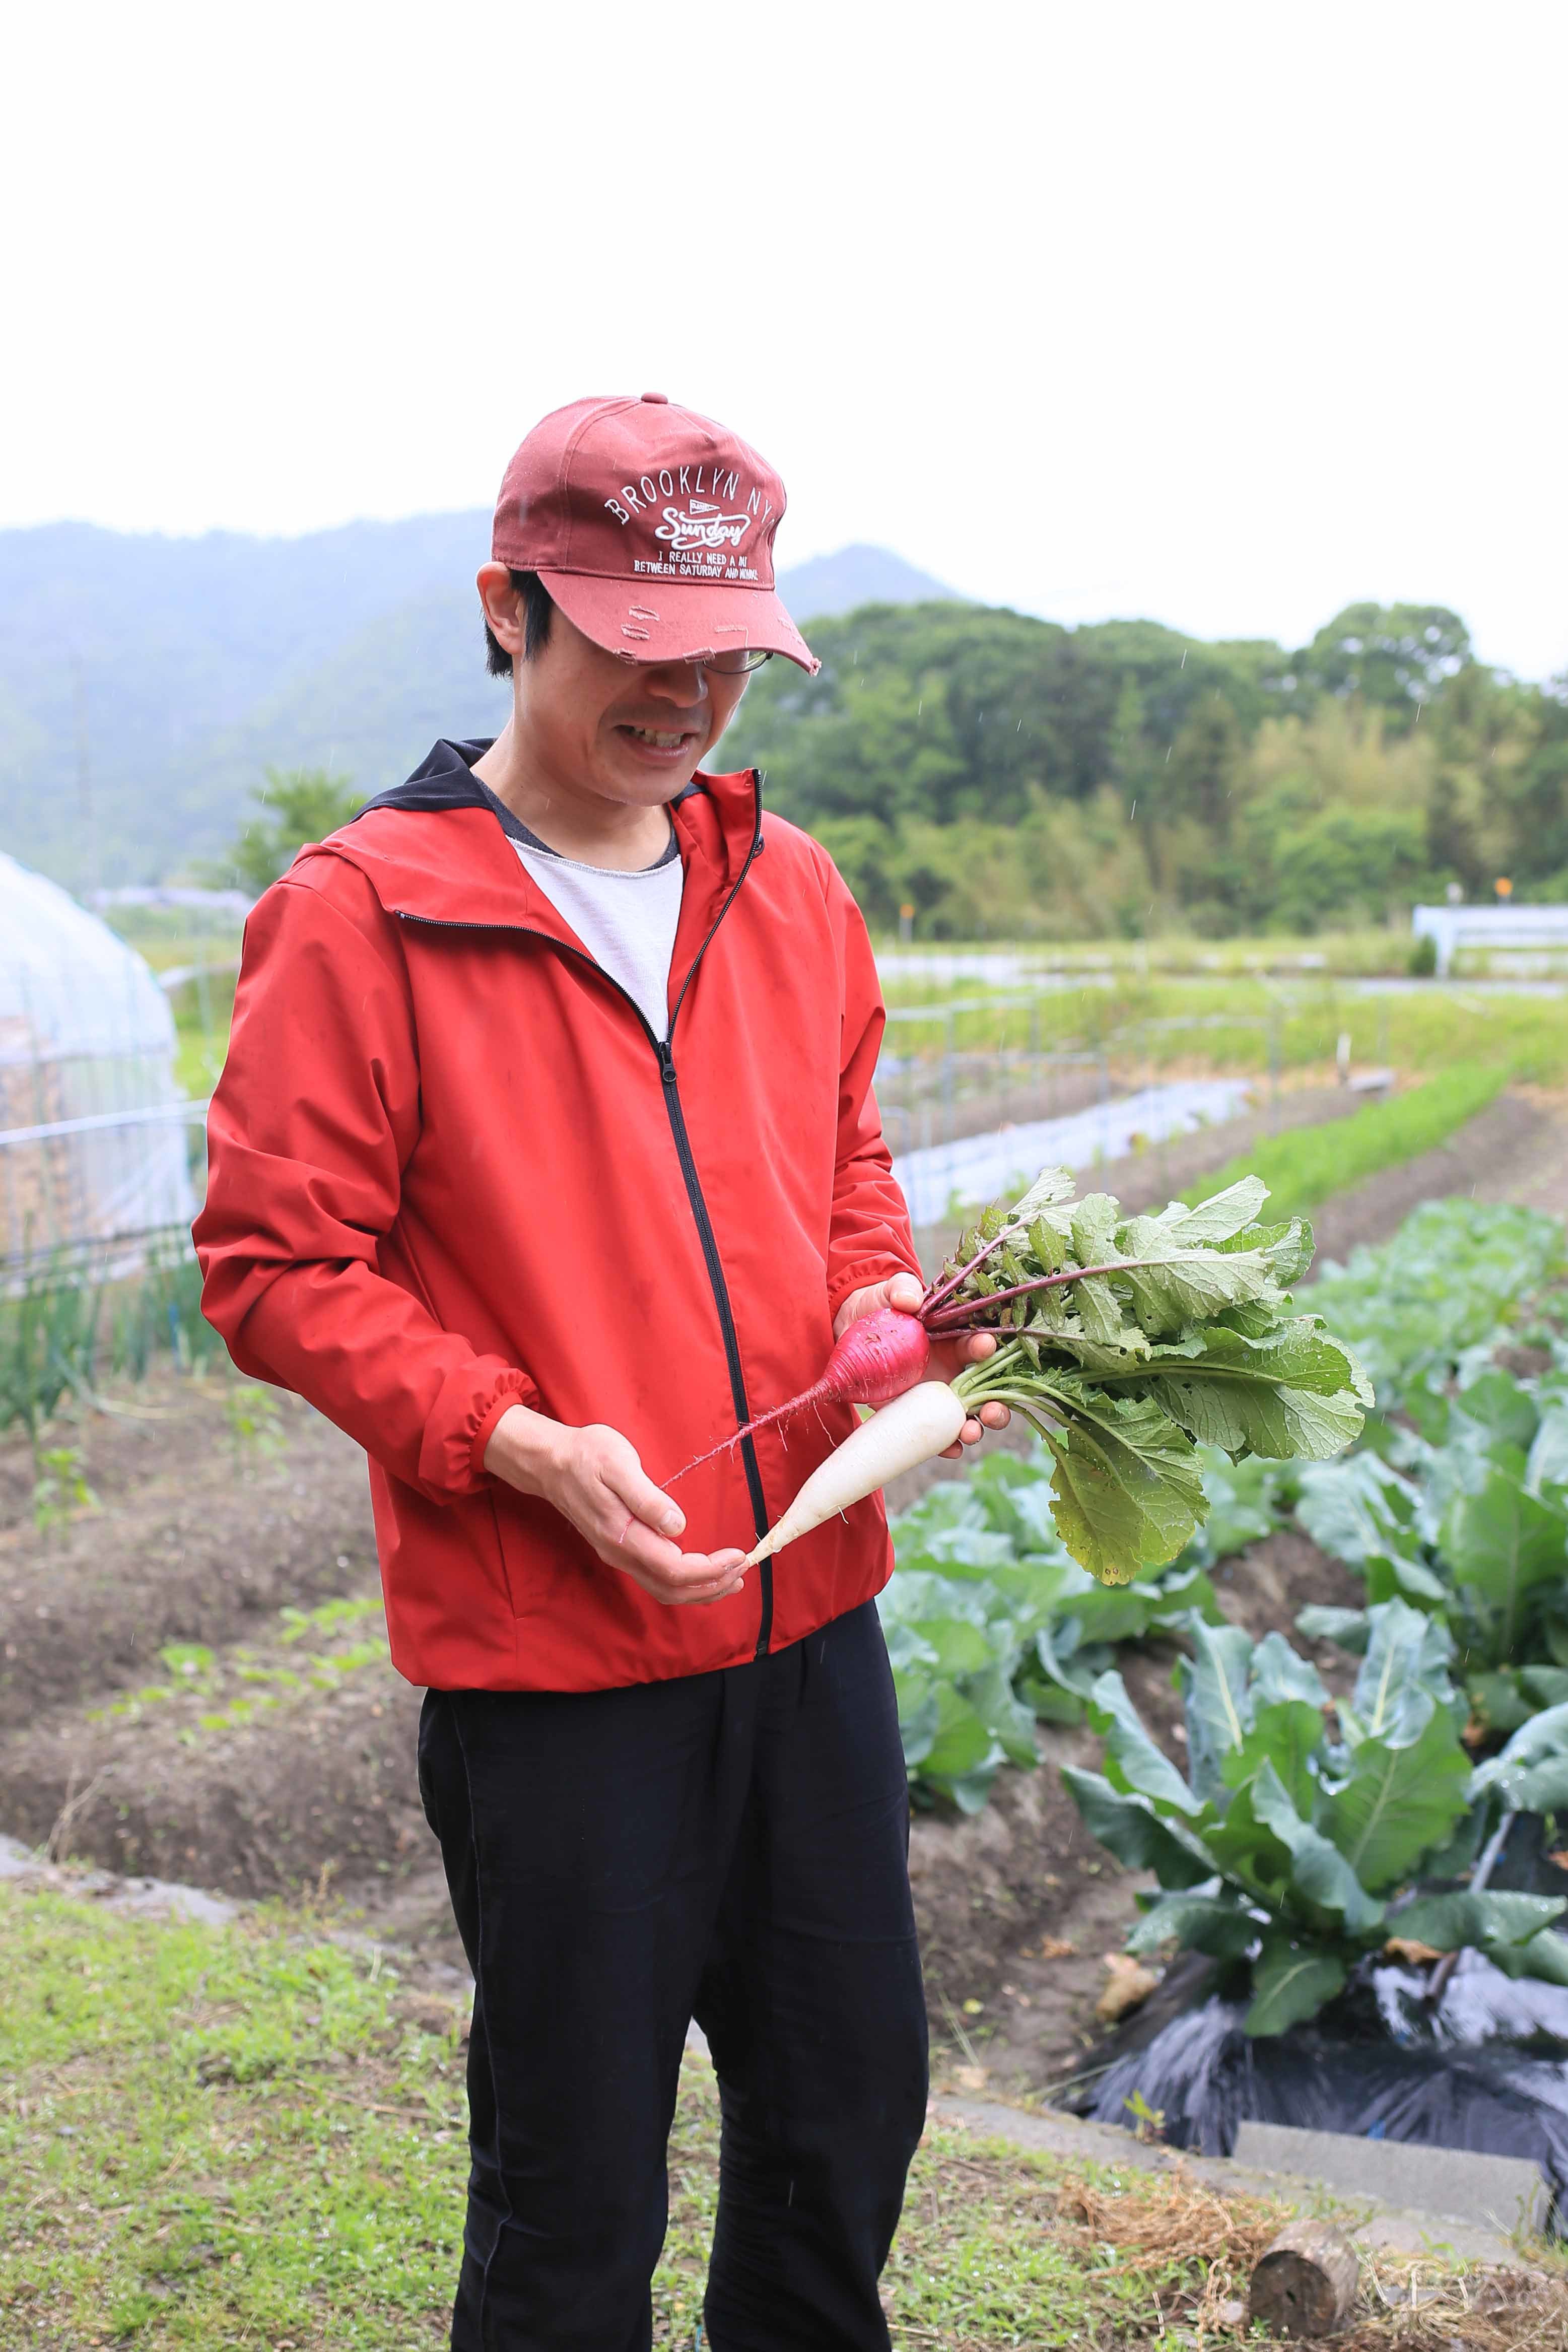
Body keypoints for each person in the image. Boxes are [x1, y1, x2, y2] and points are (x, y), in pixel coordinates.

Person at [194, 393, 1008, 2352]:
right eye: (641, 648)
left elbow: (843, 1173)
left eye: (725, 652)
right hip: (556, 1671)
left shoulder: (787, 889)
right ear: (510, 609)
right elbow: (273, 1261)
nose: (690, 696)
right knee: (573, 2199)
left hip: (805, 1625)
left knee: (843, 2119)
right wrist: (512, 1438)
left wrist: (879, 1325)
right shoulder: (363, 910)